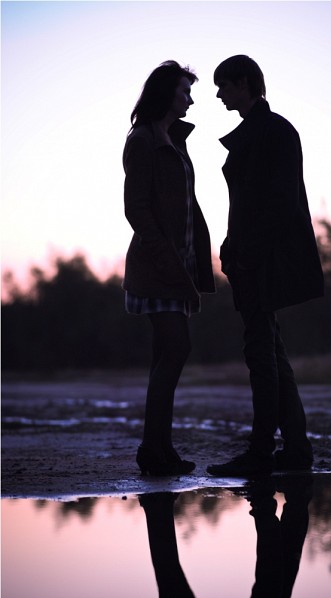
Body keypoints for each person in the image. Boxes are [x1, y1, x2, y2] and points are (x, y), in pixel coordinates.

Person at [207, 55, 324, 477]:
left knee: (261, 353)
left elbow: (278, 204)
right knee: (270, 350)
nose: (218, 95)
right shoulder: (267, 131)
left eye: (223, 85)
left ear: (244, 83)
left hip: (263, 261)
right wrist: (233, 246)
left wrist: (244, 252)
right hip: (254, 257)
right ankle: (295, 448)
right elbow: (253, 204)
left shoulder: (274, 131)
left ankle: (261, 452)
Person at [123, 61, 215, 476]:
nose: (190, 100)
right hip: (158, 267)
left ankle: (161, 450)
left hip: (178, 264)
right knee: (177, 349)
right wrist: (166, 258)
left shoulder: (173, 140)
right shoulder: (142, 140)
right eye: (185, 91)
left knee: (165, 355)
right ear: (166, 93)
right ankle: (153, 448)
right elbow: (136, 209)